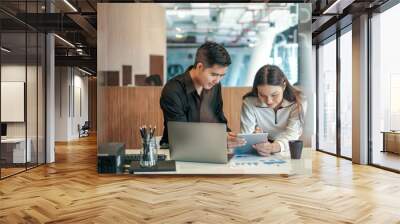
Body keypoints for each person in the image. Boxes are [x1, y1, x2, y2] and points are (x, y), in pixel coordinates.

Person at [160, 41, 245, 149]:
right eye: (214, 74)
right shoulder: (173, 90)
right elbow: (181, 135)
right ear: (200, 67)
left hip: (210, 148)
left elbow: (219, 120)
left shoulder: (214, 86)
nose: (217, 81)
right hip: (178, 149)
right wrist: (218, 140)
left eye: (222, 75)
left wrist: (228, 135)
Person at [240, 65, 305, 156]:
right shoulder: (249, 102)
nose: (269, 101)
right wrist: (255, 139)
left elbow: (292, 134)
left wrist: (273, 147)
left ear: (284, 85)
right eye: (262, 95)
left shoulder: (298, 101)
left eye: (274, 95)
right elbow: (246, 136)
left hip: (288, 147)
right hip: (260, 148)